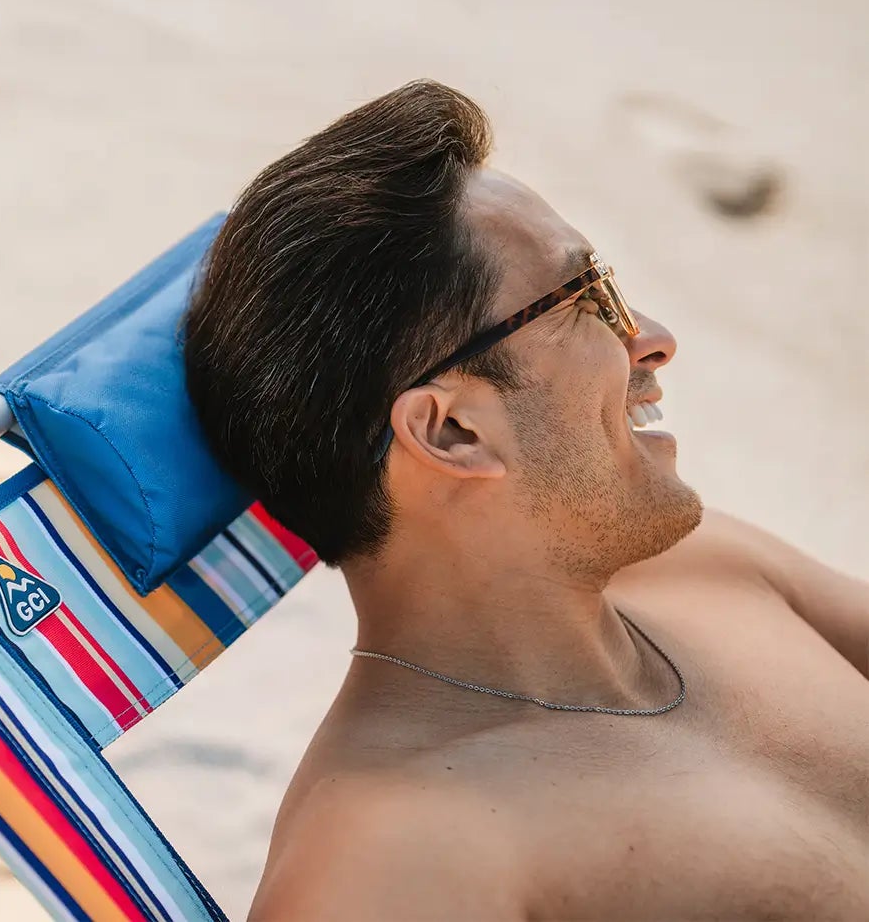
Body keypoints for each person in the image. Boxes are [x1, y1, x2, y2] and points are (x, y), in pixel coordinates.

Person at [181, 81, 869, 918]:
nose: (652, 338)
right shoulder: (393, 862)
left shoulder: (714, 569)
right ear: (452, 431)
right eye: (586, 301)